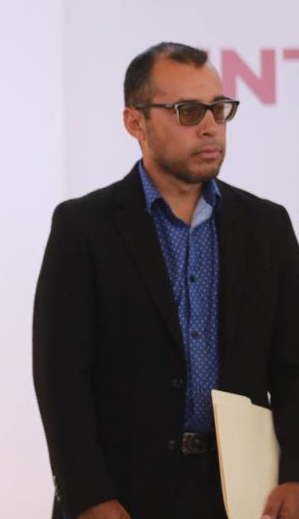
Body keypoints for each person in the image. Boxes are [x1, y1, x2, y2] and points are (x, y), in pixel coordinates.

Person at [33, 42, 299, 519]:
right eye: (188, 111)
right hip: (122, 495)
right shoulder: (83, 227)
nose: (210, 126)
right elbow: (61, 377)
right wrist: (88, 495)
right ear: (135, 122)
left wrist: (297, 473)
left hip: (244, 494)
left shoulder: (267, 225)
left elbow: (293, 364)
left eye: (219, 109)